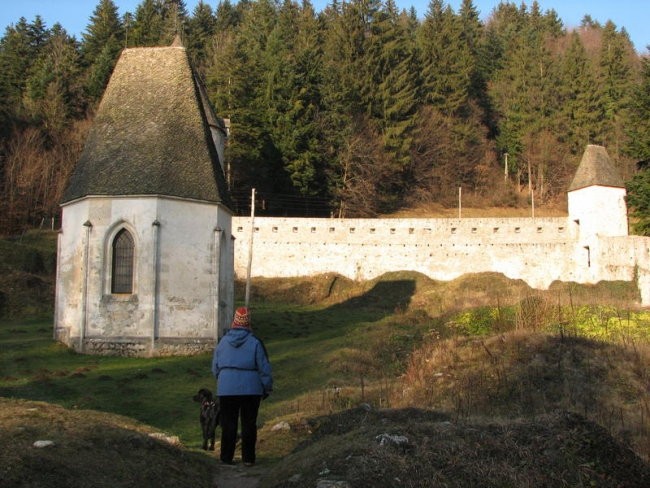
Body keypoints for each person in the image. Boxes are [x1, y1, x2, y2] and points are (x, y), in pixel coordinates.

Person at [212, 306, 273, 466]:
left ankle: (226, 457)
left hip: (226, 389)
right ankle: (248, 459)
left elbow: (215, 367)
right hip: (251, 389)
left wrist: (223, 380)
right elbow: (264, 367)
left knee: (228, 424)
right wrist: (267, 387)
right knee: (248, 424)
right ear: (248, 323)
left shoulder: (223, 342)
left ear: (234, 322)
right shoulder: (255, 343)